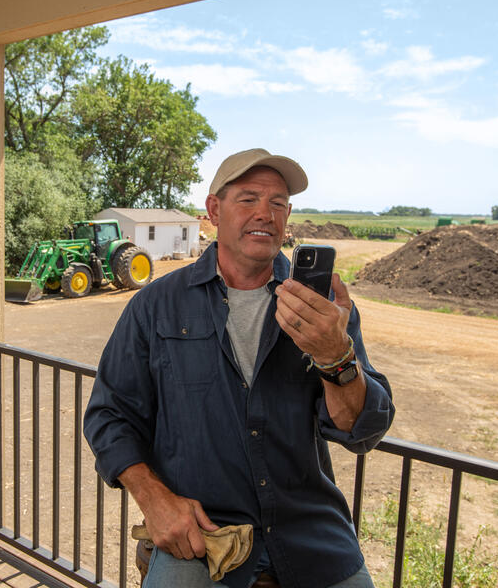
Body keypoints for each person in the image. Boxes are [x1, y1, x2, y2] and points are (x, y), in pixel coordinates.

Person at [84, 148, 394, 588]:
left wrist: (335, 356)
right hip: (202, 535)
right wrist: (155, 501)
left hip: (309, 536)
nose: (265, 214)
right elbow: (109, 415)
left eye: (278, 203)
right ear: (214, 210)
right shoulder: (156, 305)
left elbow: (362, 430)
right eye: (248, 199)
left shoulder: (324, 311)